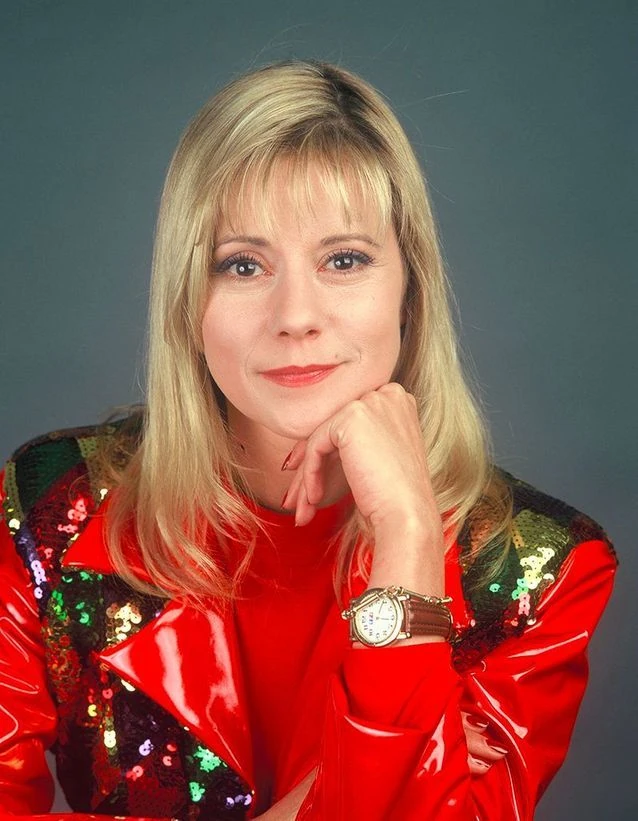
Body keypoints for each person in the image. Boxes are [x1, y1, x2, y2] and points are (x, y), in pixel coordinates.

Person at [0, 59, 616, 820]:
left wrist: (408, 536)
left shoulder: (537, 573)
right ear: (188, 299)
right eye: (243, 265)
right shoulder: (49, 505)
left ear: (410, 288)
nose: (296, 316)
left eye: (344, 259)